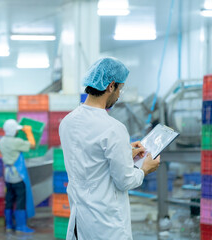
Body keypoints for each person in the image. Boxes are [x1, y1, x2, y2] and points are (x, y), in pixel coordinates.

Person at [59, 57, 161, 240]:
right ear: (111, 86)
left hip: (79, 220)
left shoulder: (67, 122)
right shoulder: (113, 128)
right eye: (120, 88)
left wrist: (123, 150)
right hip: (106, 225)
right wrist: (146, 169)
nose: (119, 94)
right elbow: (125, 181)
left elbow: (88, 157)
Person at [0, 119, 36, 234]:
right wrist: (28, 132)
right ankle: (21, 226)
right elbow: (33, 145)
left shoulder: (1, 141)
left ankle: (9, 225)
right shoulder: (17, 142)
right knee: (20, 200)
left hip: (7, 175)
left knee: (9, 199)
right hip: (17, 175)